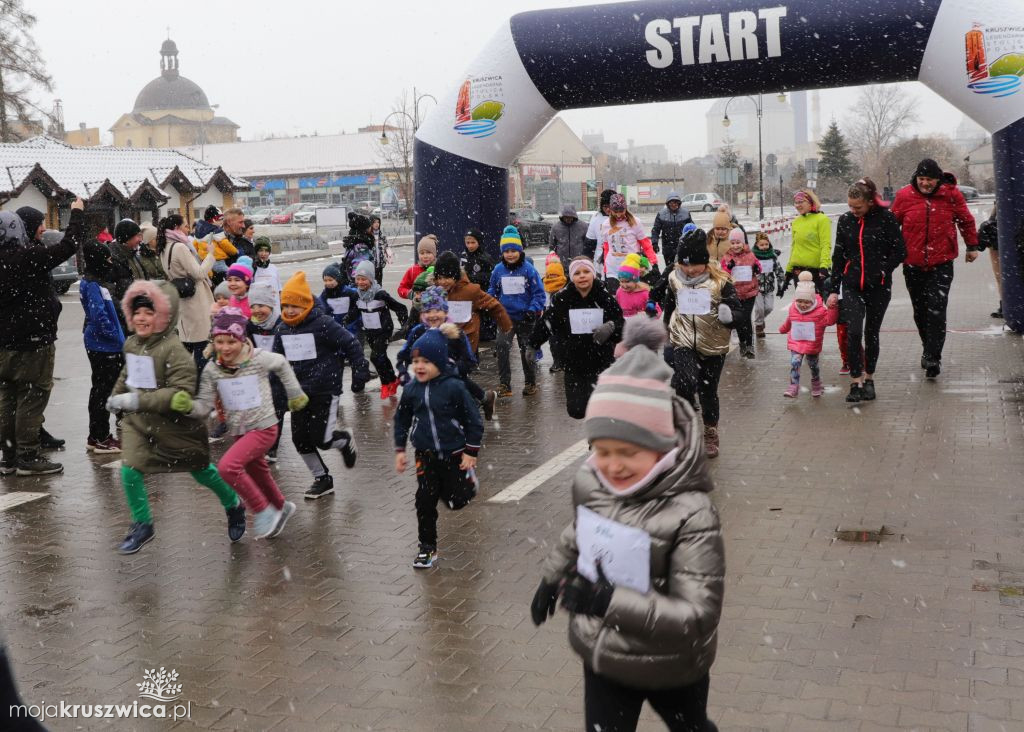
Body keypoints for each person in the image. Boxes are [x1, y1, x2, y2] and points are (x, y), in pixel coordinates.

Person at [530, 346, 723, 732]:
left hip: (672, 664)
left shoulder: (692, 514)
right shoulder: (593, 480)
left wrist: (606, 601)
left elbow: (698, 615)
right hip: (604, 657)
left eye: (628, 452)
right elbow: (581, 530)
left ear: (662, 449)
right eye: (601, 450)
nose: (613, 465)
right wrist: (552, 577)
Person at [106, 280, 244, 554]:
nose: (141, 318)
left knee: (202, 472)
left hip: (176, 426)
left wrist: (136, 399)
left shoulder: (174, 351)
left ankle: (233, 503)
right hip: (140, 422)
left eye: (149, 312)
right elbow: (128, 373)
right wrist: (117, 394)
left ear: (164, 317)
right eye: (137, 313)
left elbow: (178, 393)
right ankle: (142, 523)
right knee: (129, 469)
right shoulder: (132, 343)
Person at [174, 307, 307, 539]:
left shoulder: (257, 358)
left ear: (242, 339)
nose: (225, 348)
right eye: (219, 341)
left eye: (231, 341)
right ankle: (280, 506)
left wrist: (295, 394)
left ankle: (262, 510)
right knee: (258, 473)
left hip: (263, 427)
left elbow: (282, 363)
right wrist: (188, 407)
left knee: (227, 467)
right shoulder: (212, 369)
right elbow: (204, 406)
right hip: (239, 430)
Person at [0, 199, 86, 476]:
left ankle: (9, 456)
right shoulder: (27, 257)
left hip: (4, 343)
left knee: (7, 396)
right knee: (32, 396)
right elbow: (68, 245)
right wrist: (77, 214)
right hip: (32, 340)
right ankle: (27, 455)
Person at [394, 328, 484, 569]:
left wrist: (470, 451)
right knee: (424, 499)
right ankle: (427, 547)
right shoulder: (412, 389)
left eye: (426, 361)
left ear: (440, 362)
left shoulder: (454, 387)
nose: (419, 367)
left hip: (455, 453)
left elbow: (474, 421)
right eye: (415, 362)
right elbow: (402, 419)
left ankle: (469, 483)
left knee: (456, 501)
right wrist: (400, 449)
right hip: (425, 454)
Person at [274, 271, 366, 499]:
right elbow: (277, 361)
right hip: (299, 394)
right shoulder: (282, 328)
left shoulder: (322, 323)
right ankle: (322, 478)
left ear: (306, 304)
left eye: (295, 305)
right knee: (300, 440)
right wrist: (276, 392)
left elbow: (350, 342)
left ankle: (343, 440)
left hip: (325, 389)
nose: (290, 311)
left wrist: (359, 369)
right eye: (285, 306)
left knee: (321, 439)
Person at [891, 158, 980, 379]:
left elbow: (966, 220)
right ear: (916, 178)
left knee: (937, 310)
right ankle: (927, 346)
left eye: (929, 180)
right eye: (922, 179)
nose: (925, 184)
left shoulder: (951, 195)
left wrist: (972, 246)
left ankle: (933, 356)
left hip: (941, 263)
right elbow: (891, 225)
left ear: (937, 179)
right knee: (920, 311)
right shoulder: (904, 196)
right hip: (913, 264)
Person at [662, 229, 741, 458]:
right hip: (683, 339)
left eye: (694, 265)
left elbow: (739, 312)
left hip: (714, 344)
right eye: (684, 265)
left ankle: (710, 432)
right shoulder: (674, 278)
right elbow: (669, 305)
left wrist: (731, 316)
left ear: (705, 262)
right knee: (686, 381)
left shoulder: (720, 282)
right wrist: (666, 327)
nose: (689, 270)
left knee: (708, 391)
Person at [827, 178, 906, 403]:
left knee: (871, 333)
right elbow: (839, 256)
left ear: (870, 202)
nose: (853, 211)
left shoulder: (886, 219)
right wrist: (833, 289)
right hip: (852, 285)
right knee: (853, 332)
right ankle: (855, 382)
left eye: (858, 207)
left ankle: (869, 378)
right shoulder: (845, 221)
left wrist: (883, 269)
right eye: (850, 206)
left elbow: (900, 250)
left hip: (878, 287)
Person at [531, 257, 624, 419]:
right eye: (577, 273)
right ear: (571, 277)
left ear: (593, 274)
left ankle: (595, 436)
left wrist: (611, 327)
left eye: (586, 272)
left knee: (601, 406)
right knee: (576, 409)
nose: (582, 276)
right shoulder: (563, 299)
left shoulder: (604, 297)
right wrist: (533, 344)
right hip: (574, 362)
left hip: (601, 360)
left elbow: (620, 324)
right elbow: (547, 322)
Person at [397, 286, 496, 420]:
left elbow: (469, 361)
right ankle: (484, 398)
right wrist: (404, 372)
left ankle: (474, 411)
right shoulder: (418, 332)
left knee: (462, 414)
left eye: (437, 310)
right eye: (428, 311)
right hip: (427, 380)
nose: (432, 315)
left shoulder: (455, 333)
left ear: (445, 312)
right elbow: (405, 354)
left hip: (453, 383)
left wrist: (451, 370)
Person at [79, 241, 126, 453]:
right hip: (103, 347)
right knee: (102, 392)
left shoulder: (96, 283)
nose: (110, 263)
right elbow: (99, 317)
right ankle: (100, 436)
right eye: (107, 259)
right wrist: (116, 337)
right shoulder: (93, 285)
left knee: (101, 390)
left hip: (104, 345)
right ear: (98, 262)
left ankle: (97, 435)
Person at [157, 214, 217, 377]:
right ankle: (200, 386)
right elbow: (198, 273)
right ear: (176, 228)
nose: (188, 229)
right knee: (201, 347)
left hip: (183, 300)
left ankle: (185, 382)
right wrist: (211, 255)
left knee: (189, 343)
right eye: (185, 226)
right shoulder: (180, 247)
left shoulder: (165, 247)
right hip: (196, 300)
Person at [489, 226, 545, 397]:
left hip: (526, 318)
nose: (510, 254)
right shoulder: (498, 270)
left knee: (526, 350)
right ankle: (505, 384)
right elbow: (492, 289)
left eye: (514, 250)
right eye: (507, 251)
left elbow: (539, 294)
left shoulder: (529, 270)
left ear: (520, 251)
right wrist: (491, 303)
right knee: (501, 346)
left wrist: (532, 310)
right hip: (505, 317)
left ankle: (530, 383)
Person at [345, 260, 407, 400]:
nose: (360, 282)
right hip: (370, 331)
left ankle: (385, 384)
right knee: (382, 357)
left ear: (371, 279)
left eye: (364, 279)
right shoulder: (357, 295)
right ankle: (392, 380)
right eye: (358, 279)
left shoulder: (380, 294)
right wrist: (345, 322)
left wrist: (405, 325)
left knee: (375, 356)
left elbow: (400, 307)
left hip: (384, 330)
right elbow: (355, 311)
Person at [433, 250, 512, 354]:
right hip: (443, 341)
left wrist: (505, 326)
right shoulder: (435, 292)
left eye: (447, 277)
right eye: (439, 278)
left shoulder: (471, 291)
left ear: (455, 276)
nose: (443, 281)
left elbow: (494, 306)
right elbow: (426, 313)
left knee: (463, 367)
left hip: (467, 341)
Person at [779, 272, 839, 398]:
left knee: (813, 365)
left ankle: (816, 382)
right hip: (796, 342)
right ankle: (793, 386)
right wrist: (783, 329)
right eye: (800, 301)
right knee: (795, 362)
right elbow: (790, 321)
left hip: (812, 344)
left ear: (812, 300)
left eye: (806, 302)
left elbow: (829, 321)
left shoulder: (820, 311)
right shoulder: (793, 309)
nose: (803, 305)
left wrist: (833, 308)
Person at [247, 281, 288, 463]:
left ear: (271, 305)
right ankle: (262, 442)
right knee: (261, 410)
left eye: (262, 306)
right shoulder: (250, 325)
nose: (257, 310)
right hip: (259, 375)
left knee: (277, 410)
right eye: (253, 306)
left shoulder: (282, 324)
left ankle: (273, 447)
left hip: (278, 375)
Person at [719, 228, 762, 359]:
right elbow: (722, 273)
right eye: (733, 243)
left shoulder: (750, 255)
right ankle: (743, 343)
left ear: (743, 243)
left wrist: (756, 268)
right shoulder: (727, 257)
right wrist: (729, 267)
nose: (735, 245)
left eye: (738, 242)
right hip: (734, 293)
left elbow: (758, 267)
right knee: (738, 319)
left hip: (749, 292)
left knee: (746, 317)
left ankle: (749, 346)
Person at [599, 194, 655, 292]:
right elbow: (607, 248)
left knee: (631, 298)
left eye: (621, 211)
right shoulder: (605, 225)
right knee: (616, 299)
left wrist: (653, 262)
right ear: (610, 210)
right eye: (615, 211)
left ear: (626, 208)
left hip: (631, 267)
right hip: (613, 269)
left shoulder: (635, 222)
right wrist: (605, 269)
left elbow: (646, 244)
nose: (618, 214)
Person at [783, 189, 831, 296]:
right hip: (798, 271)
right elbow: (794, 247)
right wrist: (788, 270)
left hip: (816, 270)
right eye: (796, 202)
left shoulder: (822, 219)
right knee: (802, 305)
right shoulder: (796, 222)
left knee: (818, 306)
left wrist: (824, 266)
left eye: (801, 202)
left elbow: (825, 245)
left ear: (810, 202)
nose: (798, 205)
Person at [105, 218, 148, 327]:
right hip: (123, 322)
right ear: (126, 238)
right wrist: (128, 313)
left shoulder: (133, 255)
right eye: (137, 236)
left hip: (138, 317)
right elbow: (108, 294)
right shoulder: (111, 259)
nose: (140, 240)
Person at [460, 230, 498, 342]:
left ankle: (486, 333)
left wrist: (475, 277)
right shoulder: (464, 256)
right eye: (468, 243)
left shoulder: (485, 258)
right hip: (467, 293)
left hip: (481, 292)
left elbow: (492, 276)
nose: (470, 246)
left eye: (473, 242)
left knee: (483, 314)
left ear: (479, 242)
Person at [751, 232, 783, 338]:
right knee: (759, 308)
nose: (764, 247)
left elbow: (778, 271)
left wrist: (780, 284)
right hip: (757, 288)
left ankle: (760, 320)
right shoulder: (753, 257)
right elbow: (748, 271)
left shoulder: (772, 257)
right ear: (757, 245)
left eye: (766, 244)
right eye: (762, 245)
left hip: (769, 287)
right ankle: (759, 326)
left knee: (769, 308)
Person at [650, 191, 693, 268]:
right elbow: (656, 230)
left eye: (676, 202)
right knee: (669, 269)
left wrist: (693, 242)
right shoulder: (661, 214)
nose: (674, 205)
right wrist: (654, 243)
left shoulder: (685, 213)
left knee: (682, 269)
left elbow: (692, 228)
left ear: (679, 203)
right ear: (668, 203)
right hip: (667, 248)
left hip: (683, 247)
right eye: (671, 203)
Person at [542, 252, 568, 372]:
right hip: (551, 318)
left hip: (565, 319)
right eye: (550, 276)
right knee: (553, 341)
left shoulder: (567, 287)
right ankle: (557, 361)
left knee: (565, 341)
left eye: (555, 276)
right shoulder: (544, 287)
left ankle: (565, 361)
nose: (552, 279)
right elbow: (543, 303)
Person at [340, 212, 377, 286]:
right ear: (364, 229)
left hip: (351, 282)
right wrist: (357, 285)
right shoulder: (361, 247)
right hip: (359, 285)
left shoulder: (353, 242)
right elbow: (359, 267)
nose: (371, 228)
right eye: (369, 227)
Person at [318, 263, 358, 330]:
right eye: (325, 280)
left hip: (350, 326)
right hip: (333, 327)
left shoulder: (349, 292)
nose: (328, 283)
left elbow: (356, 307)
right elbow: (320, 307)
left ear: (338, 279)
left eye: (330, 280)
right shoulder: (324, 295)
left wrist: (350, 317)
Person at [615, 253, 656, 318]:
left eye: (628, 281)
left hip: (640, 326)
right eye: (621, 281)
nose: (624, 285)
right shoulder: (619, 292)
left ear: (635, 280)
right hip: (624, 326)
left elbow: (657, 313)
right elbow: (616, 309)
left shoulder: (645, 294)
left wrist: (647, 315)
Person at [978, 205, 1001, 318]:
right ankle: (1005, 304)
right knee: (1000, 276)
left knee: (1001, 276)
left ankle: (1007, 304)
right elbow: (997, 206)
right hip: (1000, 232)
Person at [398, 235, 438, 300]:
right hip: (417, 308)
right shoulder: (413, 270)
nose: (425, 256)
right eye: (422, 253)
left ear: (434, 254)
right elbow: (401, 289)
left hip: (436, 308)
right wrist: (411, 294)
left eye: (428, 253)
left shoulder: (439, 269)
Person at [550, 204, 589, 269]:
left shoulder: (583, 226)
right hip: (561, 263)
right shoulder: (556, 227)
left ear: (574, 216)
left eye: (570, 217)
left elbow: (587, 244)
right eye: (566, 217)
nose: (568, 219)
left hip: (578, 262)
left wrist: (586, 257)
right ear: (563, 216)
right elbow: (552, 245)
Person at [583, 188, 615, 262]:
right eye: (605, 206)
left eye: (610, 206)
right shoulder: (596, 219)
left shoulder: (623, 218)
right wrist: (586, 261)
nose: (608, 209)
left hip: (621, 262)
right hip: (600, 262)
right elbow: (589, 244)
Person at [370, 214, 390, 285]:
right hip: (371, 265)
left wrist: (388, 255)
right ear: (371, 223)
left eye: (378, 222)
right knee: (371, 285)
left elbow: (386, 248)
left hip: (380, 265)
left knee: (379, 284)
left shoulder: (382, 236)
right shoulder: (368, 236)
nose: (376, 224)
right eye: (374, 222)